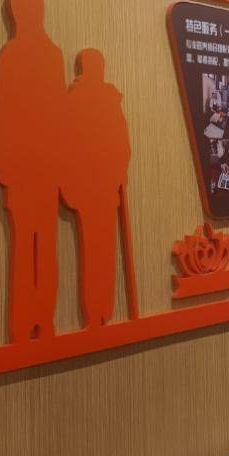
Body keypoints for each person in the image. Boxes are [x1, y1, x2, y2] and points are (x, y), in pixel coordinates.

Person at [0, 0, 66, 342]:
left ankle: (25, 324)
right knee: (44, 247)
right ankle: (42, 321)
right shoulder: (52, 55)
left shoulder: (13, 55)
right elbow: (59, 114)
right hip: (44, 167)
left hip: (23, 168)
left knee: (26, 247)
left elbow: (3, 113)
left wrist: (0, 162)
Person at [62, 50, 131, 328]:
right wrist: (118, 174)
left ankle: (99, 311)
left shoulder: (77, 100)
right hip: (98, 187)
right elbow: (121, 145)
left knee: (96, 251)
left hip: (93, 188)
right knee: (101, 250)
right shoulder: (102, 101)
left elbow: (121, 145)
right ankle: (99, 311)